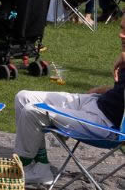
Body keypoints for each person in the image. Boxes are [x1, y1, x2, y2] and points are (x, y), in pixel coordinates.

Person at [13, 18, 125, 186]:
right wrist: (101, 89)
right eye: (121, 28)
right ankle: (40, 167)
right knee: (23, 97)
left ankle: (23, 165)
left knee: (32, 111)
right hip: (95, 102)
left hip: (106, 126)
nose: (120, 34)